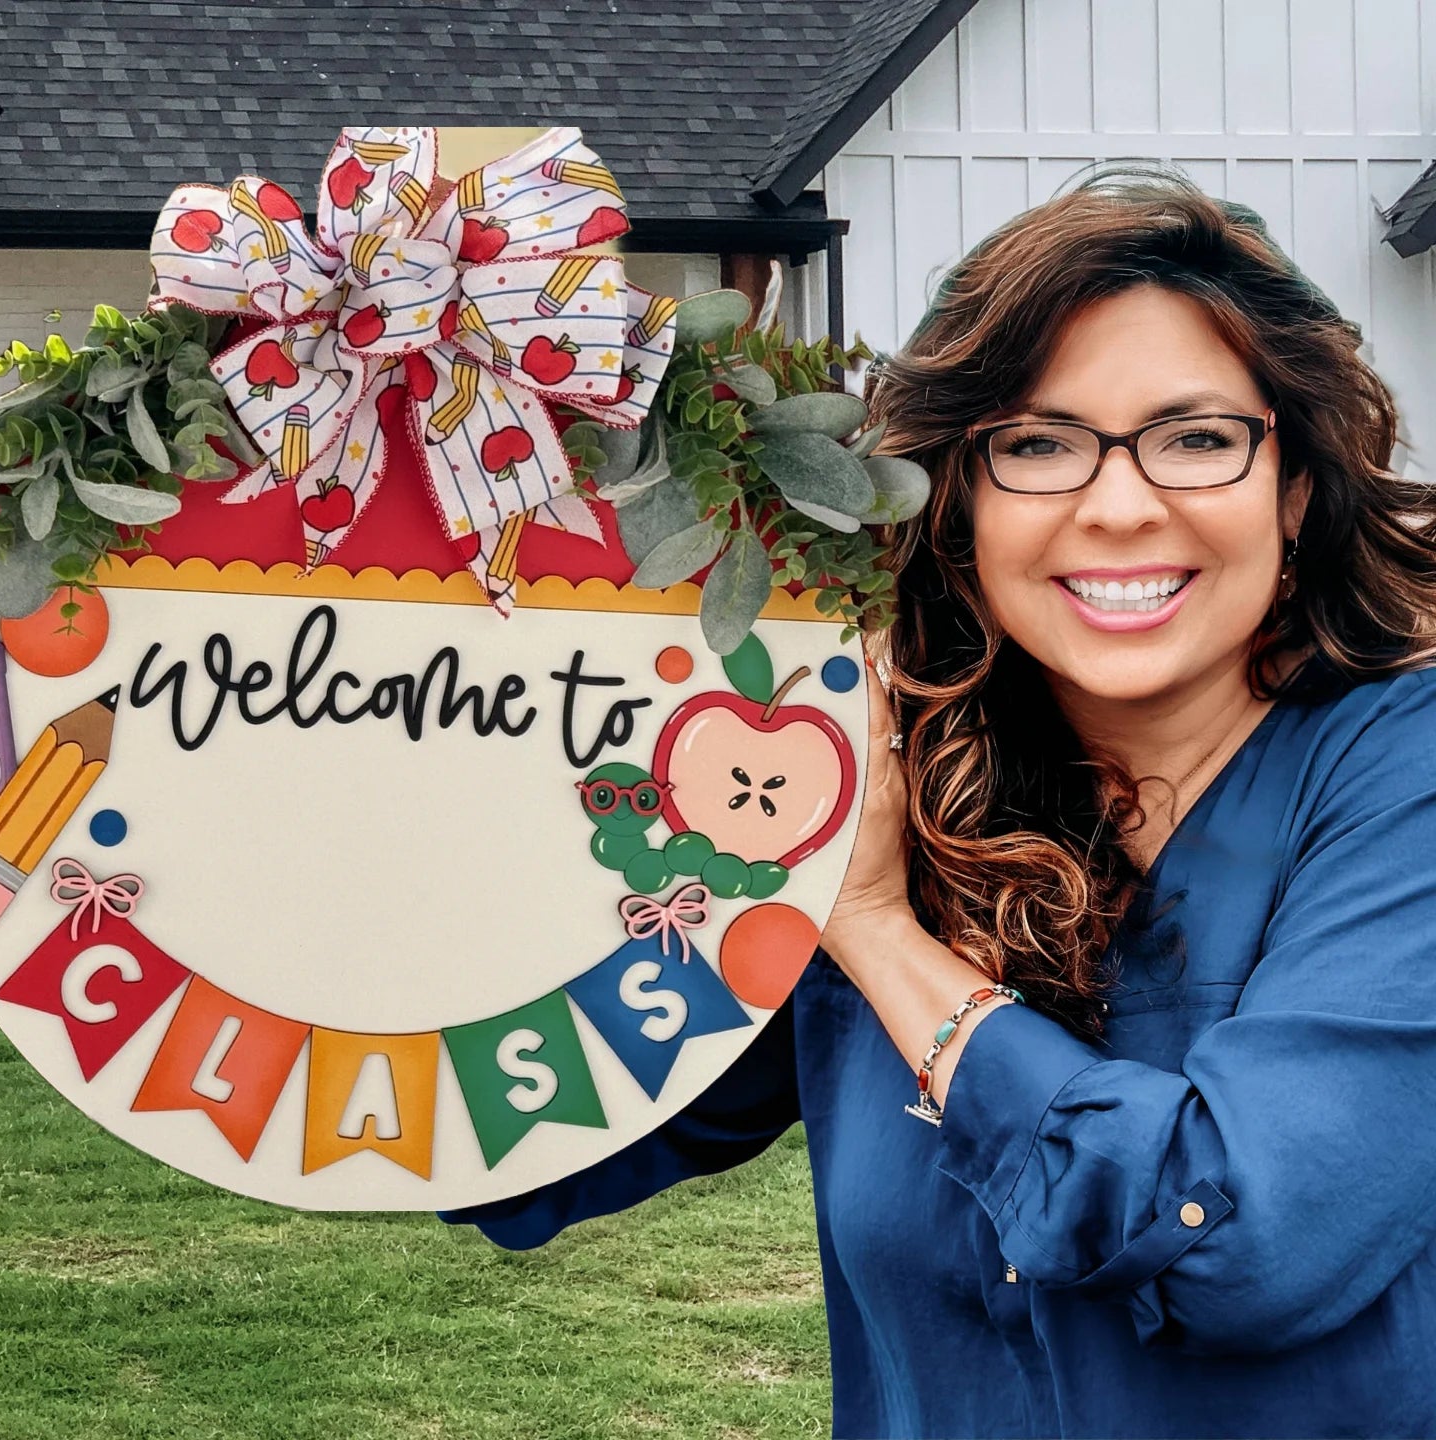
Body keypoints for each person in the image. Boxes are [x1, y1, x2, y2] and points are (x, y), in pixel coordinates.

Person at [444, 170, 1436, 1438]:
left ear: (1292, 490)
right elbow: (538, 1137)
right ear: (957, 502)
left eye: (1197, 438)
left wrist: (872, 930)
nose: (1121, 504)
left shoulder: (1400, 777)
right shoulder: (896, 787)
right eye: (1036, 443)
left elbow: (1238, 1240)